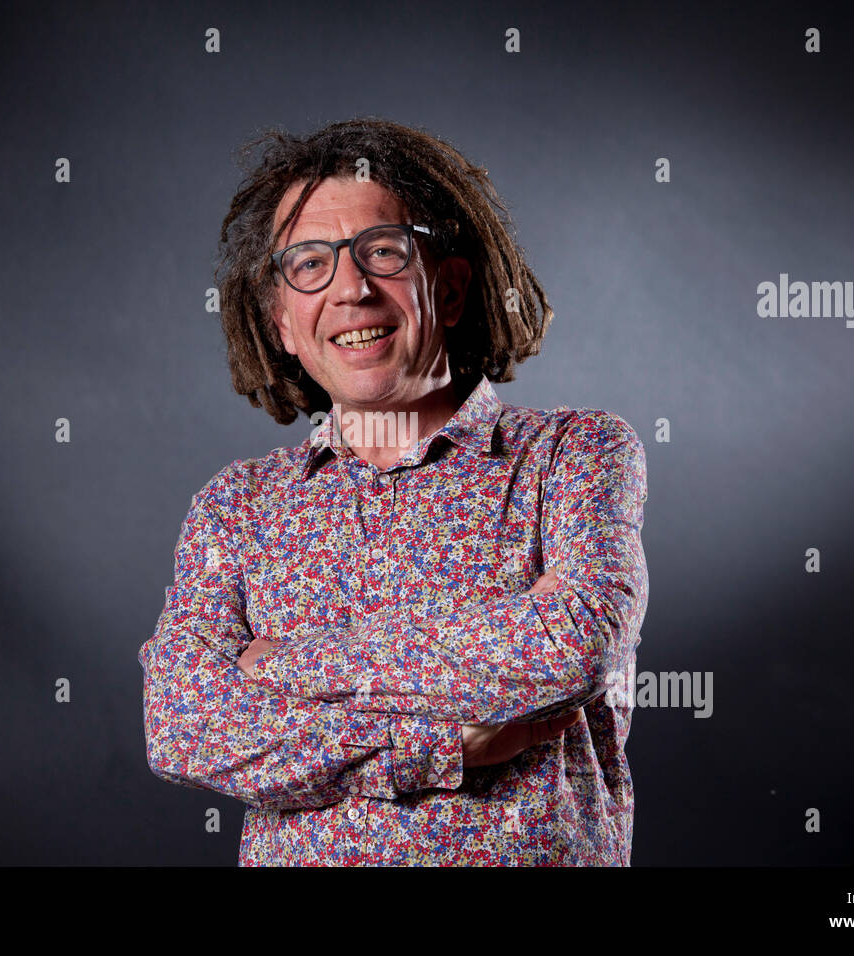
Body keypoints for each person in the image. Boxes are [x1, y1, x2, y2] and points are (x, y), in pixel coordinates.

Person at [139, 117, 649, 865]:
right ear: (283, 323)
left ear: (448, 288)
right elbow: (183, 726)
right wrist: (434, 746)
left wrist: (286, 665)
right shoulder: (237, 508)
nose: (350, 288)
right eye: (309, 263)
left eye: (383, 251)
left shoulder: (573, 455)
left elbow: (570, 645)